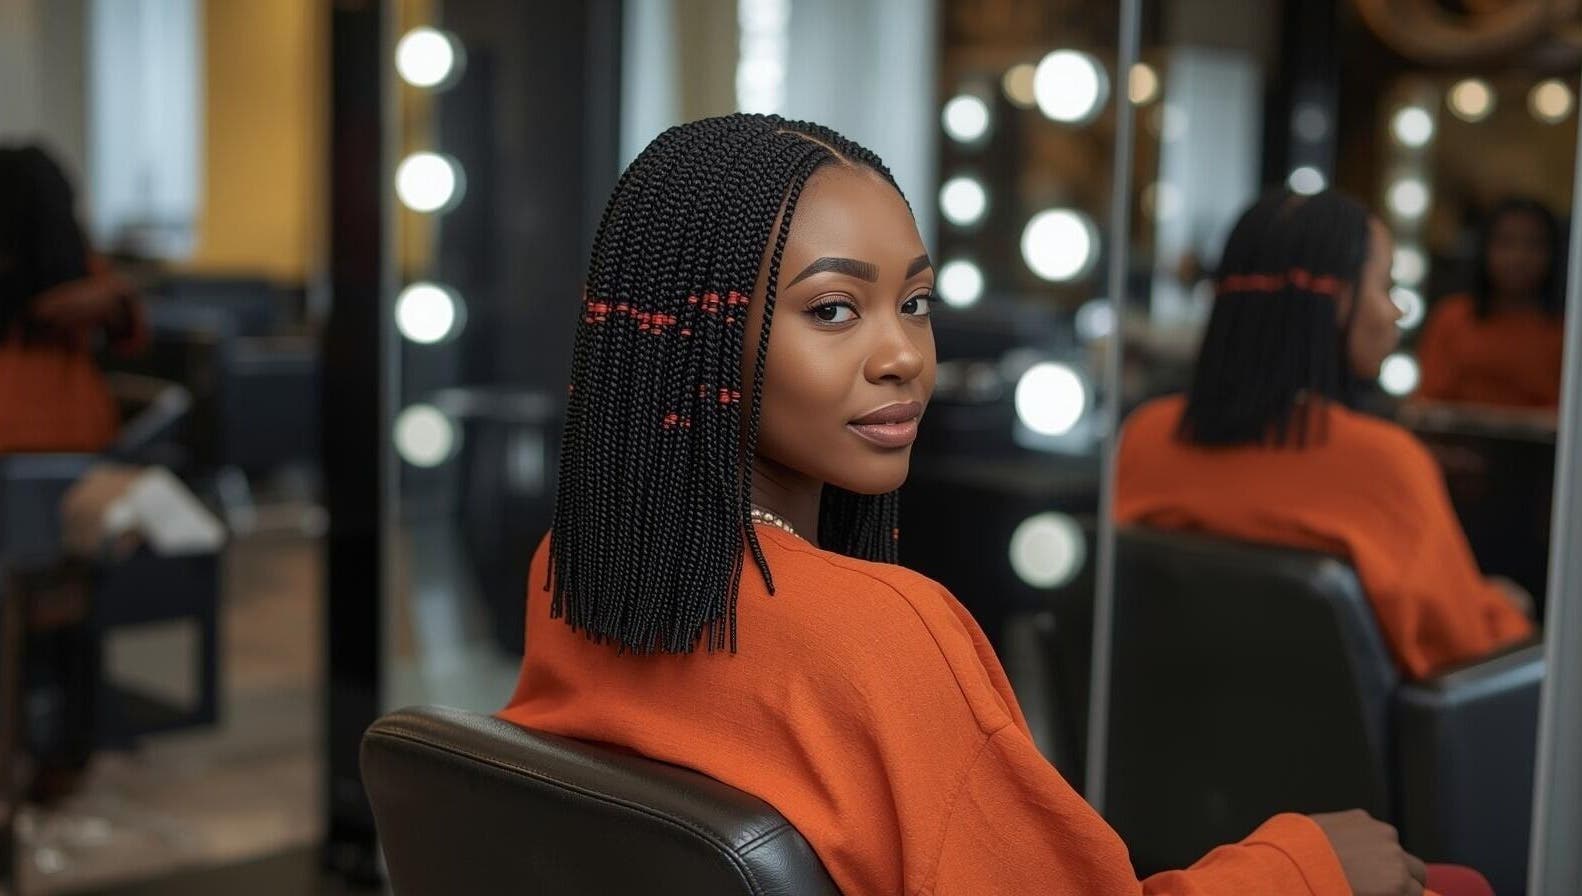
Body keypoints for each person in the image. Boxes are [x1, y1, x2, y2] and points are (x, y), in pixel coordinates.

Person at [499, 116, 1459, 895]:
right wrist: (1303, 869)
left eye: (914, 303)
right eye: (834, 309)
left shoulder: (576, 571)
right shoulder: (884, 636)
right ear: (696, 339)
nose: (904, 356)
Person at [1116, 191, 1534, 681]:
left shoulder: (1146, 436)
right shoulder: (1383, 463)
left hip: (1173, 741)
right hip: (1346, 754)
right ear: (1337, 299)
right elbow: (1458, 649)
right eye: (1386, 284)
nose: (1396, 312)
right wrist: (1506, 610)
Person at [0, 144, 146, 455]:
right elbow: (131, 340)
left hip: (34, 430)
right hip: (76, 430)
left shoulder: (84, 275)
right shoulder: (84, 273)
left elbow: (129, 335)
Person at [1415, 197, 1565, 410]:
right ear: (1485, 249)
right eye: (1506, 243)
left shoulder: (1565, 331)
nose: (1518, 257)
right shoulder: (1453, 316)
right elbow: (1426, 403)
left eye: (1533, 244)